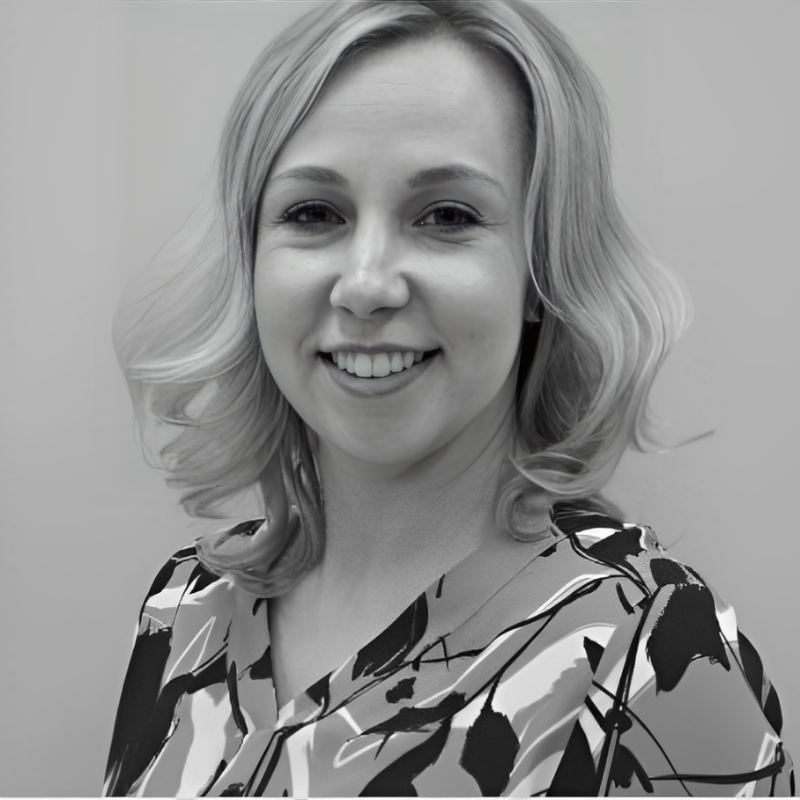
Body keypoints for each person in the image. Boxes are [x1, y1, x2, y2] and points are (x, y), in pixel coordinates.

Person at [103, 1, 794, 796]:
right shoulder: (184, 607)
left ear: (542, 270)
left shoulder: (654, 651)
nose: (364, 285)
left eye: (447, 216)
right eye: (312, 213)